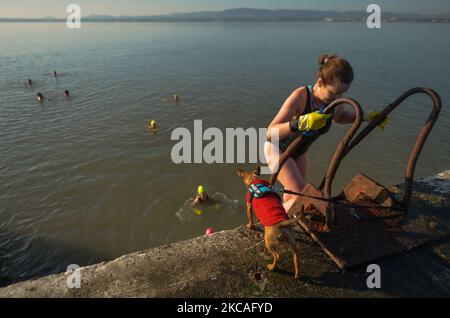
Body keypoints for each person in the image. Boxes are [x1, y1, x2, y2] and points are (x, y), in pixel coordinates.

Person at [264, 54, 389, 212]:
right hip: (277, 149)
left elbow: (341, 116)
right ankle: (275, 223)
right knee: (302, 195)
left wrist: (365, 116)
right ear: (320, 82)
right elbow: (270, 132)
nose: (337, 98)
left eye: (341, 94)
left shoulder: (333, 102)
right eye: (333, 93)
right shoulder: (301, 96)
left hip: (300, 152)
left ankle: (284, 223)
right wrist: (302, 122)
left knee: (292, 194)